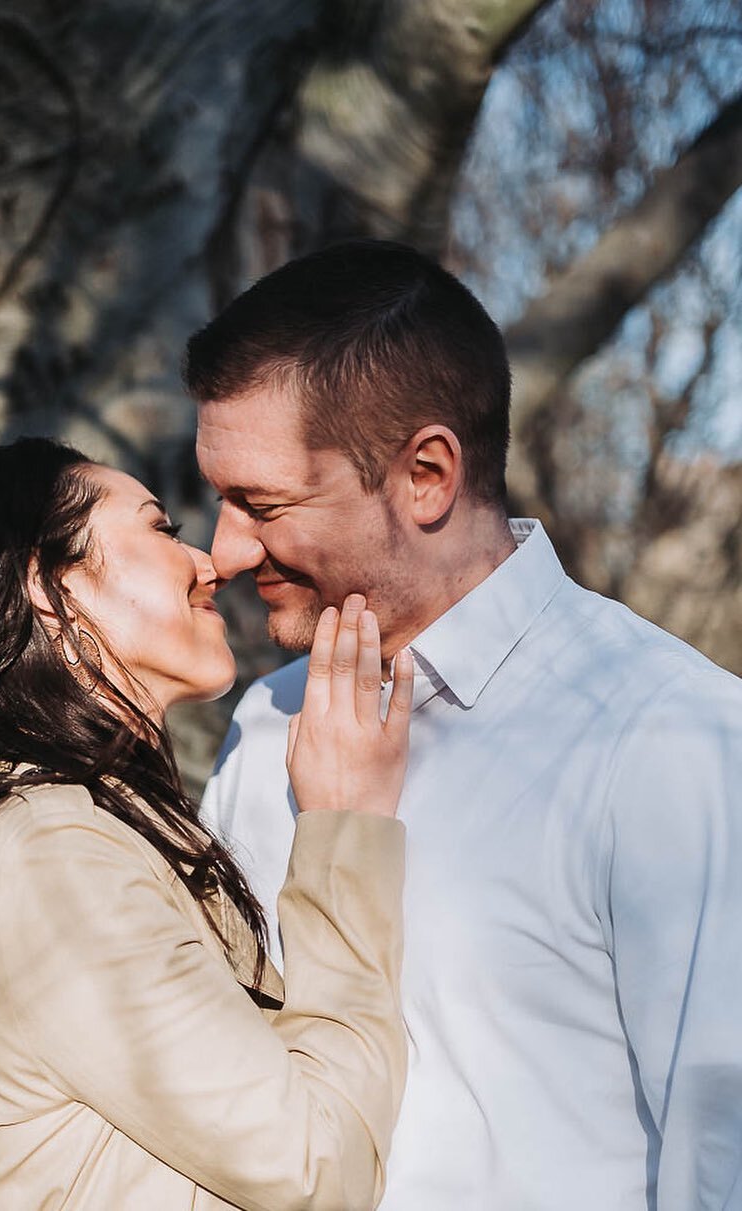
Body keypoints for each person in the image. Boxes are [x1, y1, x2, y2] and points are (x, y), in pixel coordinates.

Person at [186, 239, 742, 1211]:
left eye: (260, 503)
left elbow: (721, 1156)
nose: (225, 549)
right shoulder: (267, 723)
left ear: (428, 474)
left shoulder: (675, 742)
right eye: (219, 498)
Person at [0, 437, 417, 1211]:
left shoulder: (75, 830)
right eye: (160, 528)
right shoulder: (50, 855)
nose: (209, 562)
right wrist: (343, 826)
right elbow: (318, 1167)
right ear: (48, 588)